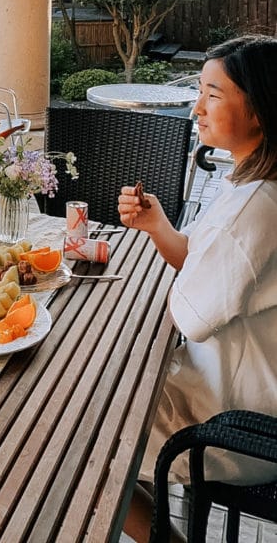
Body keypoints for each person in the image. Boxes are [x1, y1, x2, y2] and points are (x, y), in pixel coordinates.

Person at [119, 35, 277, 542]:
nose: (197, 108)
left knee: (83, 435)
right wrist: (159, 226)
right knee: (96, 404)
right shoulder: (248, 183)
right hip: (224, 389)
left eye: (213, 94)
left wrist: (186, 273)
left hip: (235, 424)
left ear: (260, 110)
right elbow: (203, 271)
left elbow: (191, 314)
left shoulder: (259, 207)